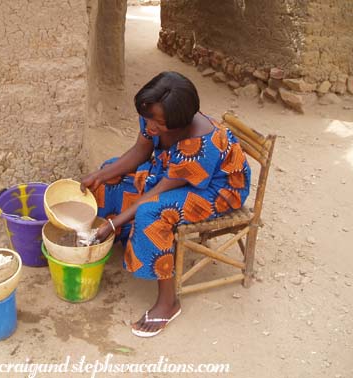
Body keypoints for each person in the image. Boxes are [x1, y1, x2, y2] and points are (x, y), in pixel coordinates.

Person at [80, 71, 251, 337]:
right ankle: (122, 237)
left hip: (217, 189)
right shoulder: (154, 113)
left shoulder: (201, 145)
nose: (149, 127)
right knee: (111, 172)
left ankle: (168, 302)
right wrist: (99, 176)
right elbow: (141, 151)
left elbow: (159, 192)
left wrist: (114, 222)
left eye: (156, 123)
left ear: (179, 122)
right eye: (147, 119)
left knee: (153, 212)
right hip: (172, 171)